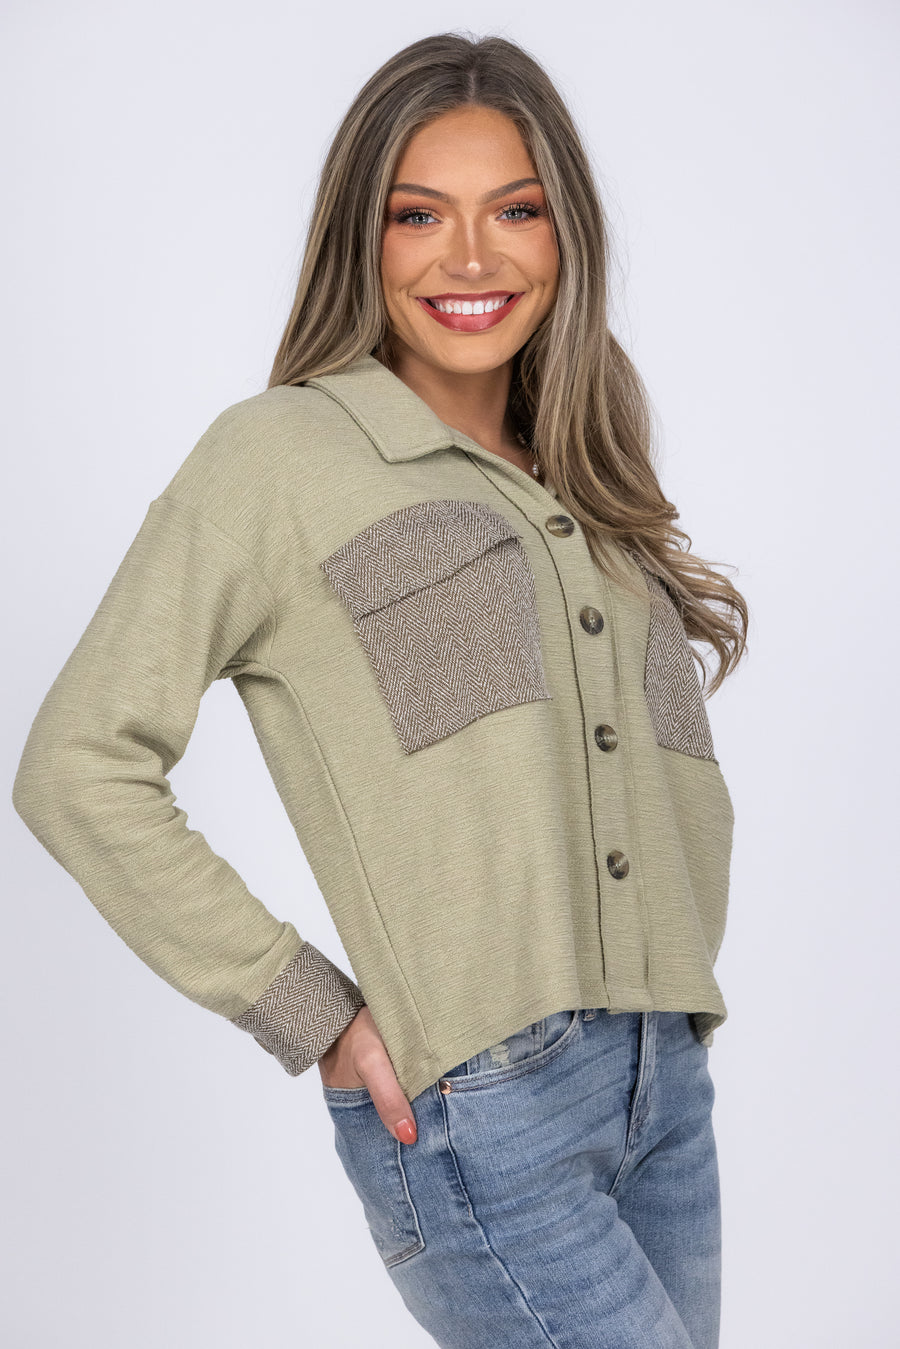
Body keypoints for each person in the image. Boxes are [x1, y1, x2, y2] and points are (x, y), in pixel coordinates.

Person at [12, 30, 748, 1349]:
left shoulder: (586, 465)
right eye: (419, 215)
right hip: (484, 1103)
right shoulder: (279, 458)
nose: (470, 257)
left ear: (565, 236)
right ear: (365, 237)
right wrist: (313, 1011)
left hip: (666, 1090)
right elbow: (77, 763)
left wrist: (671, 1026)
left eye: (514, 210)